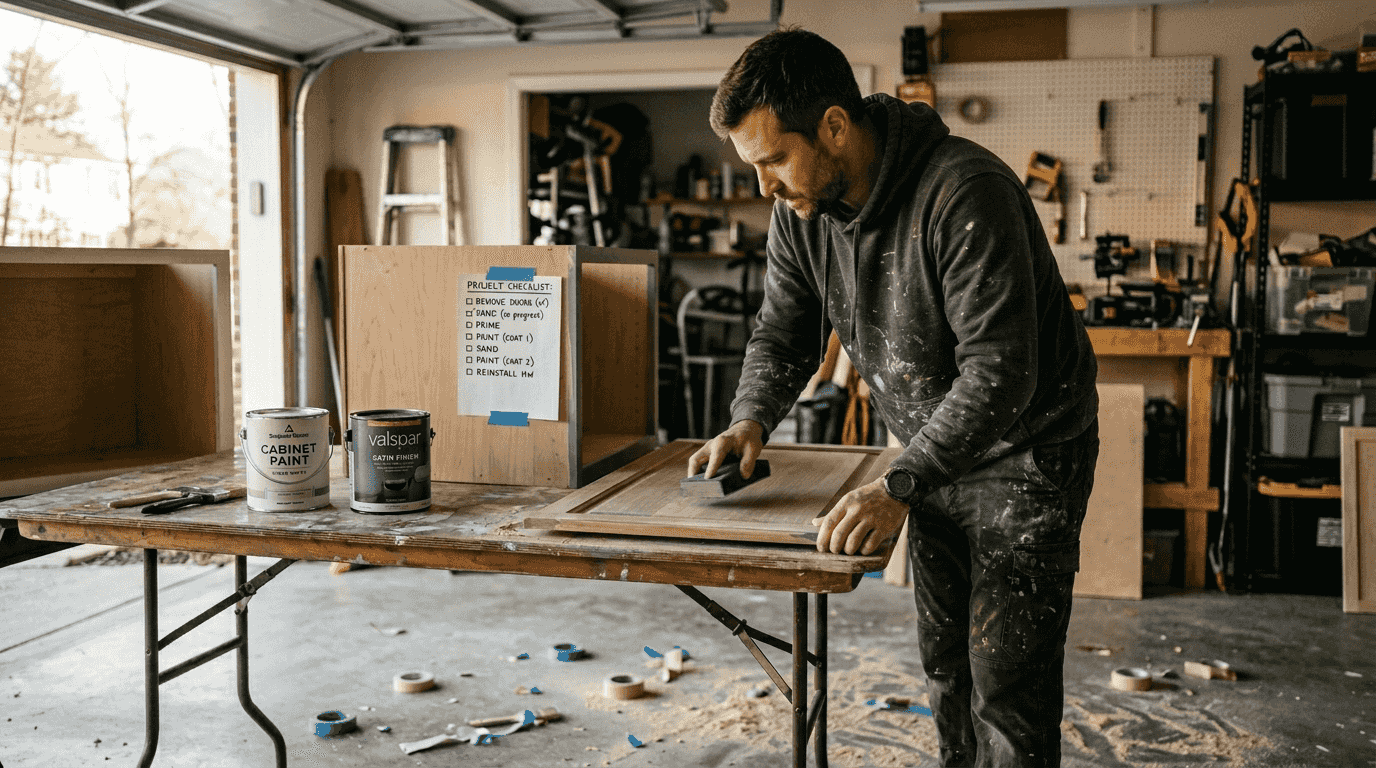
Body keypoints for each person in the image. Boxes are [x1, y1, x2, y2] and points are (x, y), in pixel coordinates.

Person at [687, 28, 1100, 768]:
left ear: (835, 127)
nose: (765, 188)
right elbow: (783, 332)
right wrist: (749, 420)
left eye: (774, 159)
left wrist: (900, 484)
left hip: (1027, 457)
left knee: (1006, 684)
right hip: (932, 459)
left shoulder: (965, 192)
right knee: (948, 669)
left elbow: (1001, 371)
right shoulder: (799, 214)